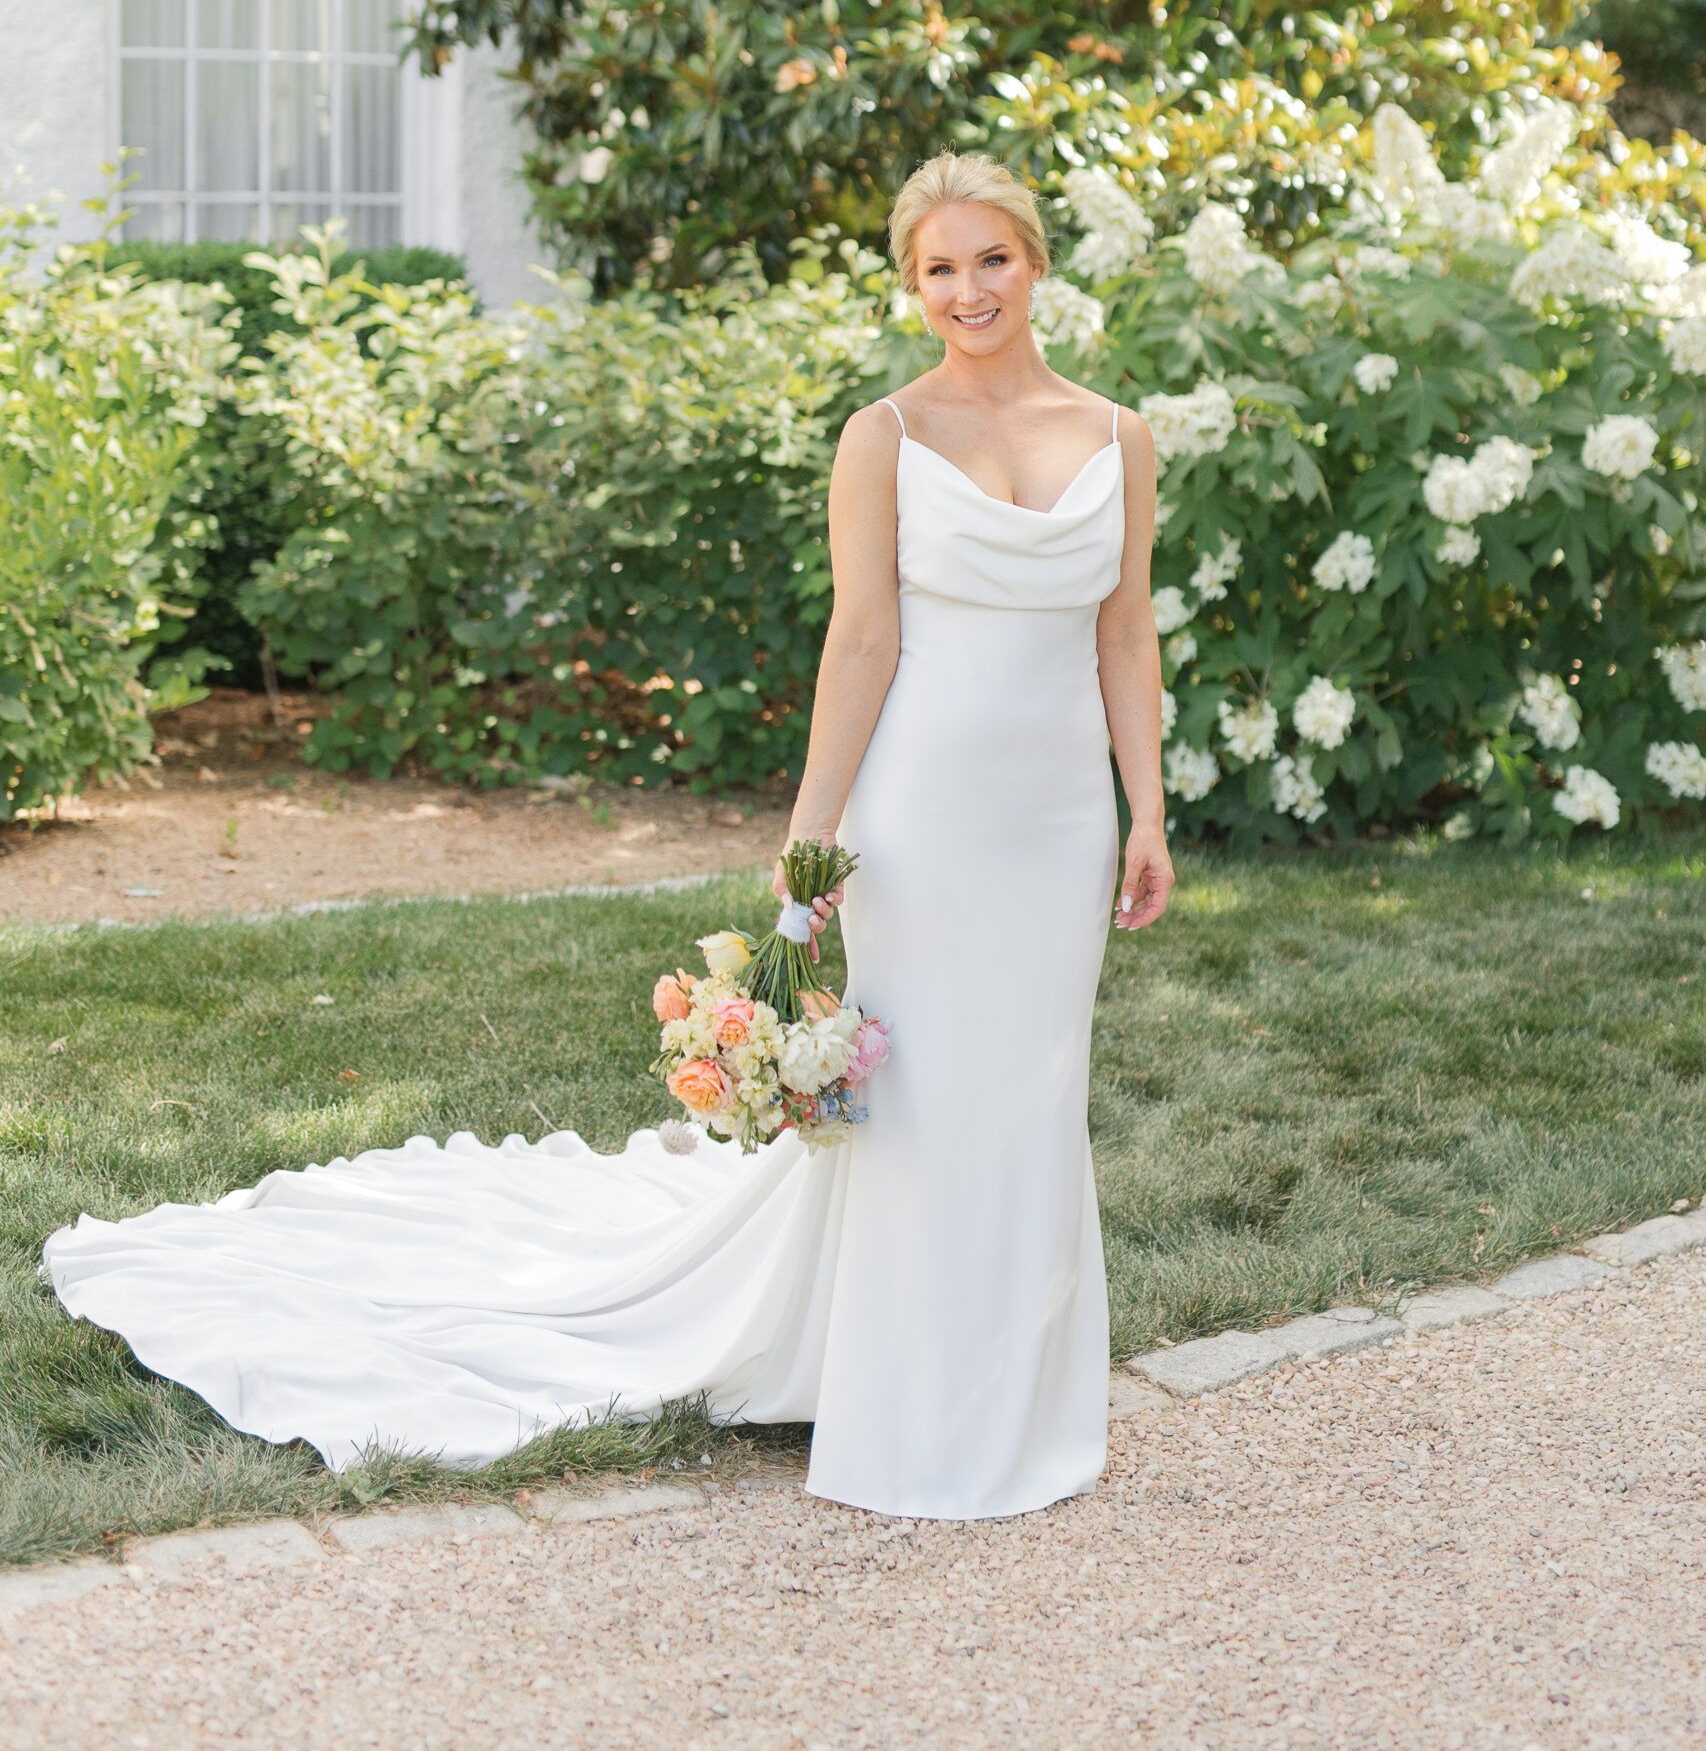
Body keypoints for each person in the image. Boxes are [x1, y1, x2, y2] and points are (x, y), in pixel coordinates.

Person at [43, 150, 1172, 1522]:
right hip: (922, 808)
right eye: (937, 267)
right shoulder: (881, 435)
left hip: (1056, 819)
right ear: (908, 286)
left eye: (988, 258)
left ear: (1034, 260)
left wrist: (1144, 810)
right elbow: (863, 640)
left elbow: (1122, 632)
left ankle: (1023, 1380)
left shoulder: (1117, 438)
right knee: (926, 1105)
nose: (966, 289)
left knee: (1033, 1091)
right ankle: (918, 1403)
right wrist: (811, 840)